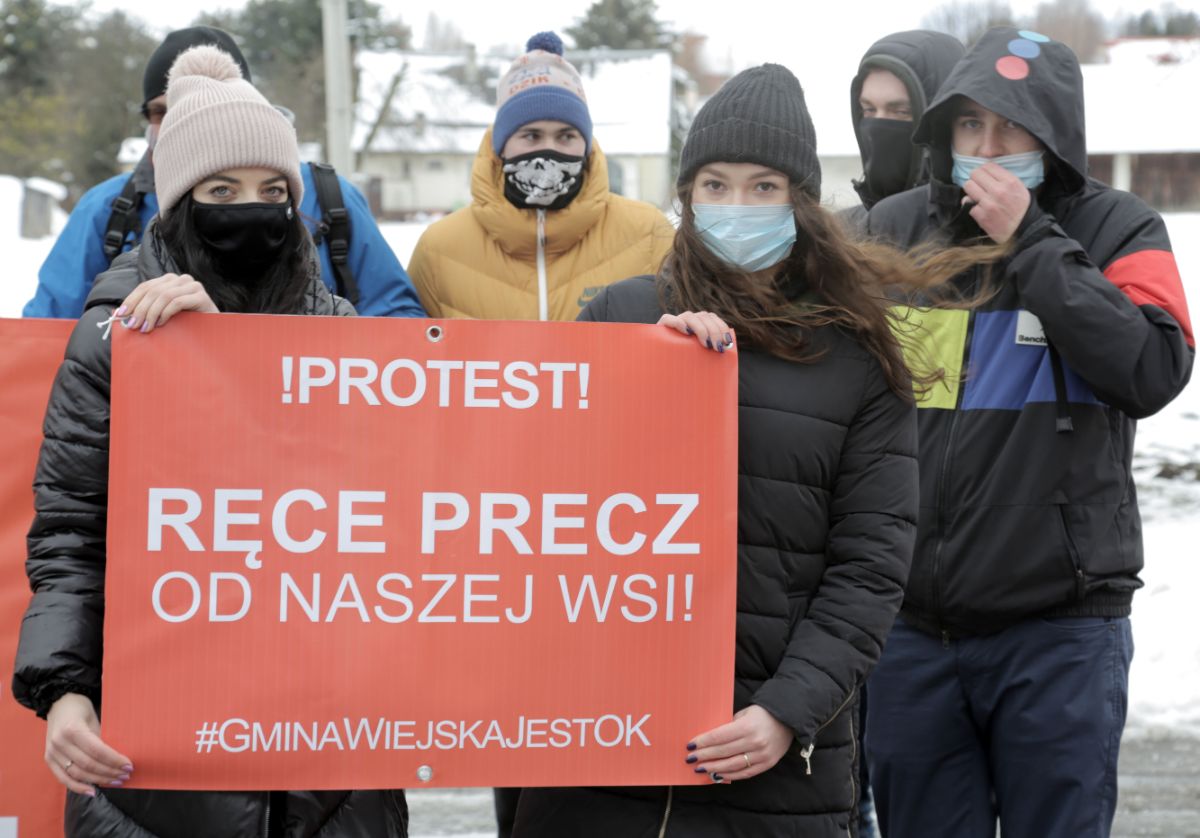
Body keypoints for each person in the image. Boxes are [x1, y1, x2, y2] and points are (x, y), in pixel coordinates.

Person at [507, 62, 994, 838]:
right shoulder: (618, 319)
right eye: (717, 185)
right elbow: (522, 499)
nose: (738, 206)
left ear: (800, 202)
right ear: (687, 197)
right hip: (604, 748)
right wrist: (636, 372)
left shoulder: (859, 359)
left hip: (772, 770)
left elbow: (868, 568)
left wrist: (786, 712)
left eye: (764, 187)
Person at [11, 45, 409, 836]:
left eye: (272, 190)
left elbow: (398, 514)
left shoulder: (348, 341)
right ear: (178, 201)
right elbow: (71, 536)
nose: (249, 209)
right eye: (220, 190)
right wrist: (64, 691)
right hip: (158, 758)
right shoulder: (116, 337)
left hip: (329, 759)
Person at [862, 27, 1194, 838]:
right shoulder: (891, 230)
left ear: (1055, 134)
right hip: (910, 635)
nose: (989, 146)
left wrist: (1036, 243)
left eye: (1012, 126)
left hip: (1061, 631)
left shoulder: (1123, 228)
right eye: (970, 126)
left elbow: (1151, 369)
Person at [21, 25, 424, 320]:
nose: (181, 121)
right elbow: (48, 334)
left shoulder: (331, 198)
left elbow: (397, 327)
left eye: (272, 193)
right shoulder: (107, 208)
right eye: (162, 112)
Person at [407, 31, 674, 321]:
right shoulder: (439, 249)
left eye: (566, 136)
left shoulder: (648, 234)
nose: (549, 150)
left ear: (586, 146)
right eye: (531, 135)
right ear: (501, 147)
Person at [842, 30, 965, 229]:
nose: (878, 125)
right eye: (869, 110)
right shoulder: (840, 235)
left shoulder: (984, 235)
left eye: (901, 111)